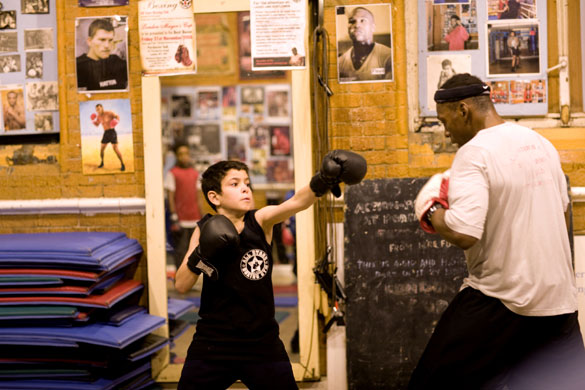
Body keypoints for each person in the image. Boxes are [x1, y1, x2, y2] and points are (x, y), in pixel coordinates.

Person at [409, 73, 585, 389]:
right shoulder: (540, 143)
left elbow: (464, 232)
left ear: (463, 110)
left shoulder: (474, 152)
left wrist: (431, 209)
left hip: (502, 300)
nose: (446, 133)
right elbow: (560, 207)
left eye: (444, 121)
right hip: (559, 305)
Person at [174, 151, 367, 390]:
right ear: (215, 197)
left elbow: (297, 202)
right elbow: (181, 285)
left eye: (247, 183)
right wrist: (201, 254)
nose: (245, 189)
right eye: (235, 184)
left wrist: (323, 180)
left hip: (261, 343)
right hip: (213, 342)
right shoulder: (203, 230)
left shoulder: (261, 220)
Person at [164, 142, 203, 271]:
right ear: (176, 156)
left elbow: (198, 197)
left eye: (186, 154)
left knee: (195, 252)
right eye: (180, 154)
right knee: (180, 252)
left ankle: (191, 280)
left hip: (195, 218)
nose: (184, 157)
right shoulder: (172, 173)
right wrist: (174, 216)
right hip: (180, 219)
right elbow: (171, 196)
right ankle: (180, 280)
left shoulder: (194, 173)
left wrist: (202, 216)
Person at [338, 6, 392, 82]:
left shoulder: (389, 57)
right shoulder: (340, 63)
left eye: (363, 20)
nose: (357, 25)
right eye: (352, 21)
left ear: (373, 27)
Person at [76, 18, 128, 91]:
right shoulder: (78, 67)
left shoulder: (118, 63)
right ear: (89, 41)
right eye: (102, 40)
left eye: (110, 40)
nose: (107, 45)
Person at [91, 103, 125, 171]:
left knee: (115, 149)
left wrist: (116, 121)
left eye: (99, 109)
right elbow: (97, 125)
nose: (98, 110)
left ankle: (122, 164)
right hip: (106, 133)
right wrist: (93, 120)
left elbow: (117, 116)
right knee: (101, 150)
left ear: (102, 108)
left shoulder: (109, 113)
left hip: (112, 132)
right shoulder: (98, 117)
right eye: (97, 110)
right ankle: (102, 162)